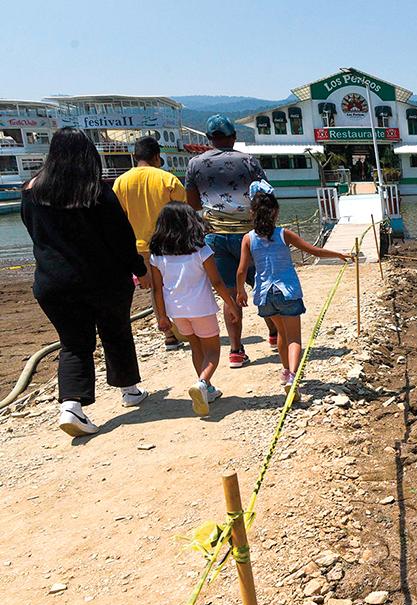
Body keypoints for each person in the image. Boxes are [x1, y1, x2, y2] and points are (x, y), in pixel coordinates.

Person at [20, 128, 148, 437]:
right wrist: (139, 269)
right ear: (87, 155)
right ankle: (129, 390)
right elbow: (120, 238)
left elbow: (34, 231)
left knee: (74, 344)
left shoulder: (31, 191)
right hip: (104, 280)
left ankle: (71, 407)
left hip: (53, 283)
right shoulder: (98, 193)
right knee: (116, 332)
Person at [236, 182, 350, 391]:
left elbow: (241, 270)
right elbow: (314, 251)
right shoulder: (283, 234)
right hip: (286, 291)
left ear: (252, 213)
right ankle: (292, 377)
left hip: (264, 294)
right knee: (294, 338)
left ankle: (285, 369)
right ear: (276, 212)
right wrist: (338, 254)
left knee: (281, 333)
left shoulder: (248, 239)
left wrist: (240, 291)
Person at [185, 114, 274, 368]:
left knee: (231, 295)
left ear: (209, 139)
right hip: (249, 234)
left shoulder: (195, 164)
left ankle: (236, 351)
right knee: (263, 285)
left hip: (215, 237)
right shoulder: (248, 161)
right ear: (233, 137)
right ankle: (275, 334)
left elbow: (192, 204)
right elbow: (264, 197)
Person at [149, 202, 238, 416]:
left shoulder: (157, 255)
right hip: (201, 307)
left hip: (176, 310)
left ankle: (206, 389)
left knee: (196, 348)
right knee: (213, 351)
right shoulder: (201, 250)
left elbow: (157, 289)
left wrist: (161, 317)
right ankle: (202, 383)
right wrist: (232, 305)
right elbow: (217, 282)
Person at [113, 135, 186, 349]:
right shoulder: (168, 180)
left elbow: (118, 218)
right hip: (169, 244)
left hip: (139, 247)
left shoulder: (121, 182)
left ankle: (168, 335)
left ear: (135, 156)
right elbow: (184, 213)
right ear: (156, 156)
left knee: (156, 289)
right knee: (174, 287)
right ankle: (183, 329)